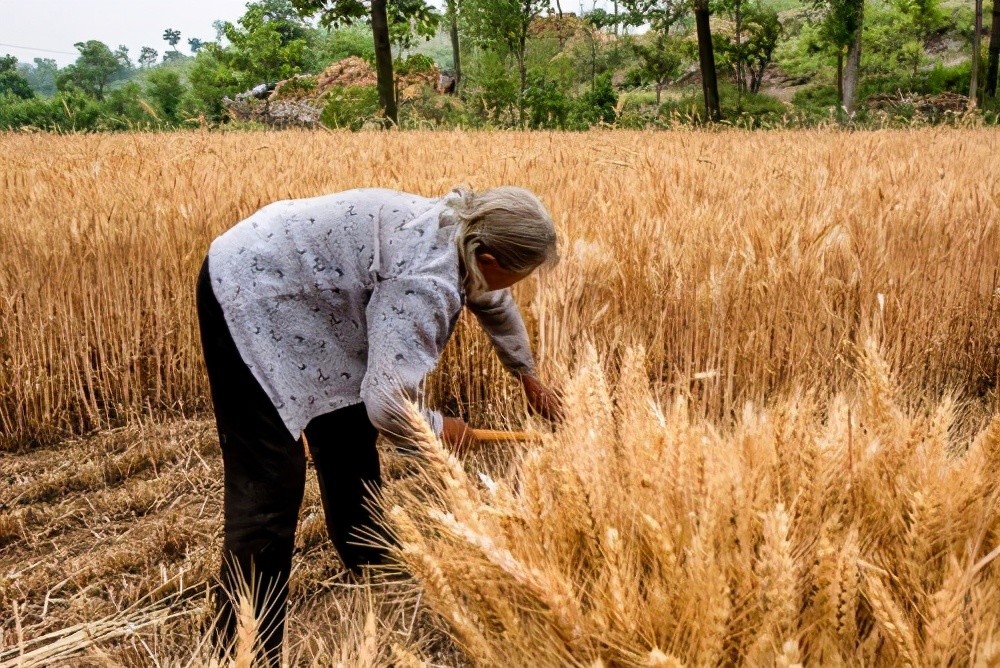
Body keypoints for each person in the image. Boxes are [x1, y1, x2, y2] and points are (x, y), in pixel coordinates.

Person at [196, 185, 561, 663]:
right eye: (519, 273)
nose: (515, 284)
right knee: (269, 487)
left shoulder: (463, 229)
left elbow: (494, 300)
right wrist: (439, 429)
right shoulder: (426, 279)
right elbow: (389, 406)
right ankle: (243, 653)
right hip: (252, 288)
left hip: (311, 289)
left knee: (347, 434)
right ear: (487, 257)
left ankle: (370, 562)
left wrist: (527, 375)